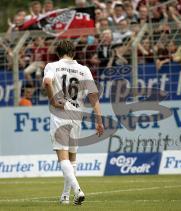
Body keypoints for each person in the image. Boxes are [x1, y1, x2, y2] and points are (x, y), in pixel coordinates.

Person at [42, 40, 104, 205]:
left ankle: (77, 190)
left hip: (60, 113)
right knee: (72, 156)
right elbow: (93, 96)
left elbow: (47, 82)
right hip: (77, 115)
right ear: (74, 53)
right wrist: (99, 119)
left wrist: (53, 100)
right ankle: (65, 196)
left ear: (58, 52)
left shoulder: (52, 66)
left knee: (62, 156)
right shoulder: (84, 69)